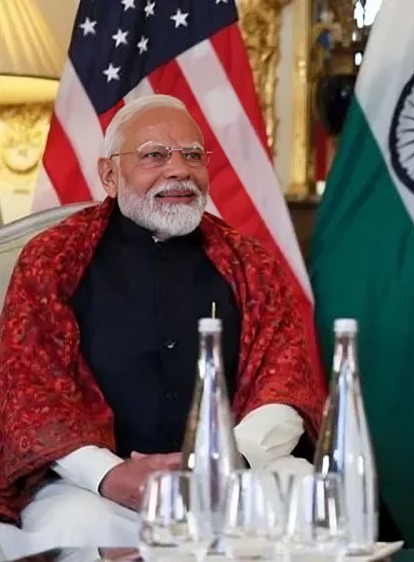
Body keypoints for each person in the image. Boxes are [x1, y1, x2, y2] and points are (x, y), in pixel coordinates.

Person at [0, 94, 328, 554]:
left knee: (303, 499)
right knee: (79, 531)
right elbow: (29, 392)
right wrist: (109, 475)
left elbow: (286, 385)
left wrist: (227, 461)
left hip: (233, 477)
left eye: (192, 155)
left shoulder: (251, 264)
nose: (179, 170)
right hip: (93, 488)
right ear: (109, 175)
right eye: (154, 155)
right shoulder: (52, 262)